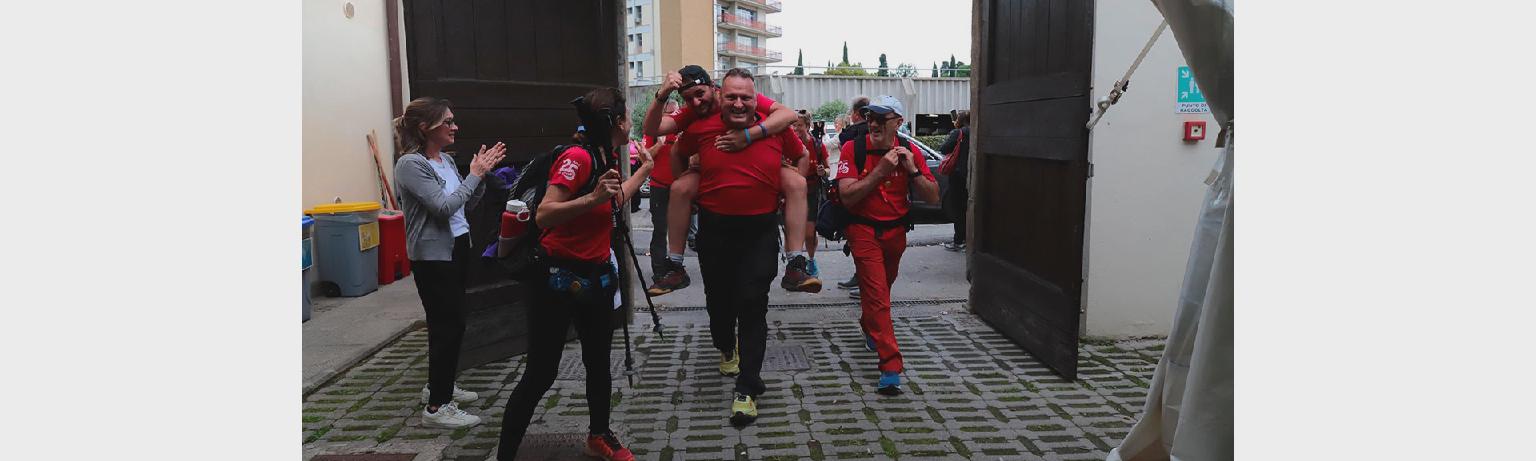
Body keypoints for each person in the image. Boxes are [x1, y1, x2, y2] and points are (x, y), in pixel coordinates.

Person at [496, 87, 649, 461]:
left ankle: (599, 435)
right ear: (615, 122)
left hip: (595, 277)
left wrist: (647, 168)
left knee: (598, 362)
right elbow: (545, 213)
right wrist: (591, 199)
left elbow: (611, 200)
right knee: (541, 373)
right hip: (554, 280)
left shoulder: (604, 154)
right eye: (627, 115)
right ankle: (505, 453)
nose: (631, 122)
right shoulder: (578, 158)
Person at [673, 69, 805, 427]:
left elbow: (801, 156)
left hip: (759, 232)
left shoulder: (775, 126)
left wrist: (788, 184)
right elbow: (677, 154)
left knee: (752, 304)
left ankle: (747, 387)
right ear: (721, 95)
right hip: (715, 232)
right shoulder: (702, 127)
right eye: (732, 96)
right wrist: (690, 182)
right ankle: (725, 345)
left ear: (754, 98)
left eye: (745, 97)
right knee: (719, 304)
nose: (738, 103)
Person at [642, 65, 820, 296]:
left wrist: (748, 136)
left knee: (797, 183)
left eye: (699, 94)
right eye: (688, 99)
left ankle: (795, 262)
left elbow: (789, 118)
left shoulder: (756, 108)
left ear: (714, 89)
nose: (696, 102)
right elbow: (656, 132)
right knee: (680, 188)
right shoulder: (697, 118)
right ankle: (675, 265)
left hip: (761, 199)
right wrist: (662, 94)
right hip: (716, 205)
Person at [392, 97, 505, 429]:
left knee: (452, 323)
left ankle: (439, 384)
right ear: (426, 127)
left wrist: (481, 178)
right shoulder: (410, 165)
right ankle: (437, 408)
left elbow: (463, 206)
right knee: (447, 326)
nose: (455, 127)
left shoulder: (445, 161)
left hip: (457, 247)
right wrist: (475, 175)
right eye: (448, 122)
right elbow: (442, 207)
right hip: (432, 257)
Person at [836, 95, 940, 395]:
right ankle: (890, 366)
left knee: (882, 288)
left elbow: (933, 197)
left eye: (882, 118)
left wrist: (914, 171)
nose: (874, 123)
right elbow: (848, 196)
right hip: (862, 231)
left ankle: (870, 326)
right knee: (878, 294)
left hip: (896, 233)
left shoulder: (908, 152)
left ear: (898, 123)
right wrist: (881, 170)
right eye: (870, 117)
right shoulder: (852, 148)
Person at [837, 96, 873, 296]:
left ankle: (866, 282)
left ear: (857, 114)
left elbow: (842, 145)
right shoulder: (878, 132)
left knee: (857, 237)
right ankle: (862, 278)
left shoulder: (851, 134)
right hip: (876, 190)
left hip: (854, 188)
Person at [645, 100, 682, 284]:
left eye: (674, 113)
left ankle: (675, 267)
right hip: (658, 187)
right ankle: (659, 269)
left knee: (678, 229)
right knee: (660, 229)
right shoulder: (654, 130)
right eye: (670, 113)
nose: (672, 116)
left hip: (678, 188)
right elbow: (646, 157)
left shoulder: (679, 130)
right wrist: (660, 144)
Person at [793, 111, 830, 277]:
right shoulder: (789, 144)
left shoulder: (817, 145)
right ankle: (794, 266)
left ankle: (811, 260)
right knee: (793, 232)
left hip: (812, 192)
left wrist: (823, 171)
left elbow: (828, 169)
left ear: (807, 126)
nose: (795, 129)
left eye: (799, 125)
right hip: (793, 192)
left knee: (809, 232)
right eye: (793, 125)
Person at [939, 110, 972, 251]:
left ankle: (959, 240)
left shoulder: (959, 132)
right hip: (971, 173)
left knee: (957, 208)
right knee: (968, 207)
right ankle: (969, 239)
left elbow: (944, 148)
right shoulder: (975, 131)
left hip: (958, 175)